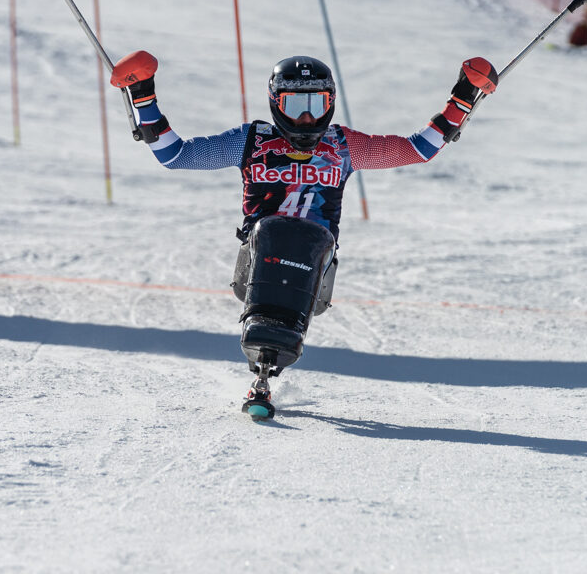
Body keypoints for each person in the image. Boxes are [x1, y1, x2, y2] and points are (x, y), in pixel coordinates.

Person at [109, 50, 498, 417]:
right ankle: (264, 352)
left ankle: (271, 352)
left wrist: (463, 95)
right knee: (274, 231)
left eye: (317, 105)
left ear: (330, 104)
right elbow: (176, 155)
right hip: (258, 259)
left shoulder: (342, 145)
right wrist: (143, 95)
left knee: (300, 240)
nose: (308, 119)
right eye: (296, 106)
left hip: (315, 262)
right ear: (276, 104)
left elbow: (418, 149)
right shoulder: (252, 141)